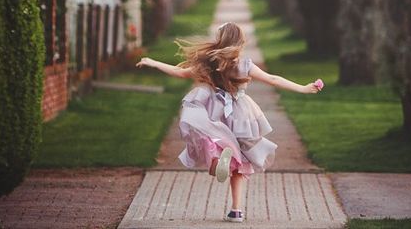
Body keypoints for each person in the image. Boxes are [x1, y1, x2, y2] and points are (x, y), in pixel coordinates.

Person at [136, 21, 323, 223]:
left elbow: (180, 72)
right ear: (240, 41)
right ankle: (236, 211)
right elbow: (273, 79)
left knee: (213, 142)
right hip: (241, 114)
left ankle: (217, 164)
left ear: (220, 40)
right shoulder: (244, 65)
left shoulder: (209, 62)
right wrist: (303, 88)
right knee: (240, 164)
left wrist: (153, 62)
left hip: (214, 110)